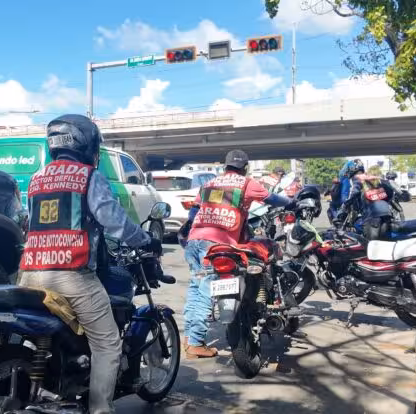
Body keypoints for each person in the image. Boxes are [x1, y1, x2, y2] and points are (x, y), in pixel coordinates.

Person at [18, 114, 162, 414]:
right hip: (72, 275)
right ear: (87, 144)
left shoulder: (37, 178)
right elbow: (115, 223)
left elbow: (27, 224)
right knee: (107, 344)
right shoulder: (88, 176)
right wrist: (146, 241)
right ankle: (100, 409)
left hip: (29, 273)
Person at [181, 150, 291, 358]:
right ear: (245, 168)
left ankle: (189, 338)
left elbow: (194, 211)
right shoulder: (246, 183)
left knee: (195, 290)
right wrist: (291, 203)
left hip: (195, 240)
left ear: (226, 167)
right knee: (205, 292)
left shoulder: (211, 183)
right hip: (215, 245)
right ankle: (195, 342)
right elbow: (271, 198)